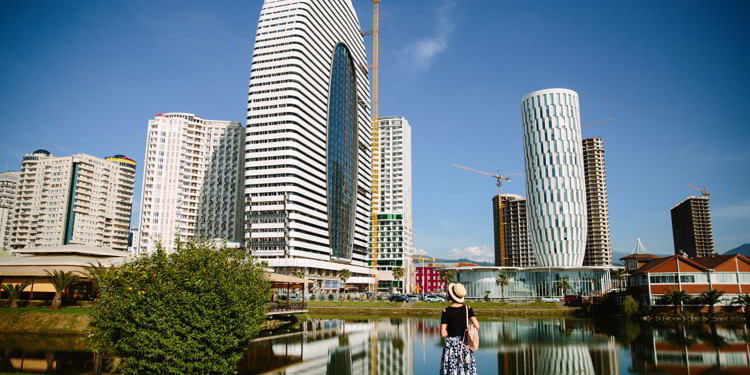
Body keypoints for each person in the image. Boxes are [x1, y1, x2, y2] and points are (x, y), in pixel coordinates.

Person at [440, 282, 479, 375]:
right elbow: (477, 325)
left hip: (451, 346)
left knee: (451, 370)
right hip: (465, 345)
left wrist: (451, 330)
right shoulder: (467, 308)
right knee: (466, 370)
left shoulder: (446, 311)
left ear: (451, 295)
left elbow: (443, 333)